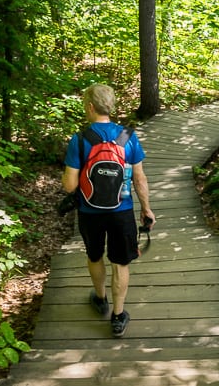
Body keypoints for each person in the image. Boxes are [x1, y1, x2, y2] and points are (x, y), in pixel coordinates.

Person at [61, 83, 155, 338]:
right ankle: (117, 316)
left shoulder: (80, 139)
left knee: (94, 256)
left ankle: (101, 298)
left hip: (89, 212)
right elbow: (140, 178)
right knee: (120, 262)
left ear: (90, 107)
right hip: (121, 210)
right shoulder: (127, 136)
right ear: (110, 107)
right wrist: (146, 209)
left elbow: (70, 186)